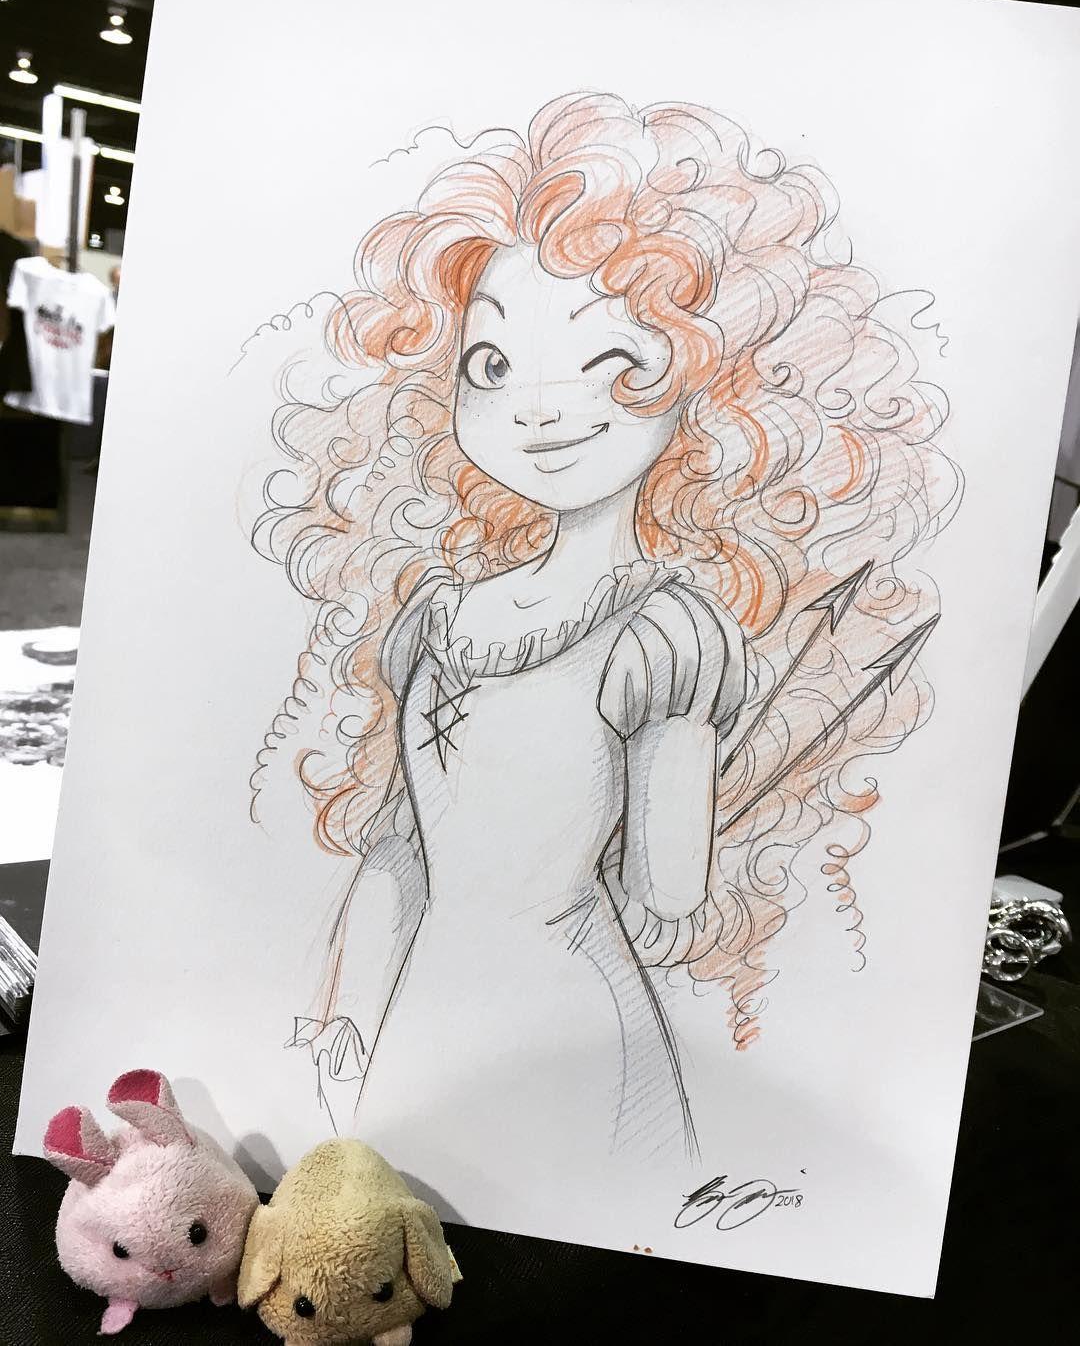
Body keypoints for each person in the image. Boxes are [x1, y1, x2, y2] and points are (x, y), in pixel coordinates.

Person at [253, 92, 958, 1159]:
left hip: (556, 1029)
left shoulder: (659, 636)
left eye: (609, 365)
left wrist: (348, 1015)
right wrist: (345, 1020)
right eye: (493, 364)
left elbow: (618, 884)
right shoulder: (443, 615)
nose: (539, 407)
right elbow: (638, 884)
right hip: (449, 1012)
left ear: (707, 387)